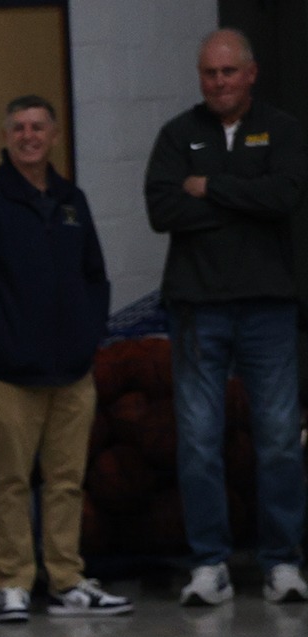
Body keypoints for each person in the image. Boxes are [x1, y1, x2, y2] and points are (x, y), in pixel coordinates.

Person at [0, 95, 131, 623]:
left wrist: (90, 333)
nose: (29, 136)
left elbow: (95, 275)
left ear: (54, 135)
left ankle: (68, 579)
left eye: (38, 127)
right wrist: (4, 337)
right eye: (19, 128)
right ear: (6, 137)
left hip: (73, 372)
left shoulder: (73, 200)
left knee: (67, 480)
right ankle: (13, 584)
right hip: (10, 376)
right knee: (11, 482)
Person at [145, 28, 308, 606]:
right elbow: (161, 209)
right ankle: (209, 563)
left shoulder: (283, 130)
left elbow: (284, 196)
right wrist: (244, 200)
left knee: (281, 440)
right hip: (197, 309)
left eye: (228, 72)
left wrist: (209, 188)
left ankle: (283, 561)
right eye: (209, 74)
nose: (218, 83)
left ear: (251, 73)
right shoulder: (177, 134)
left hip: (268, 307)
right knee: (198, 442)